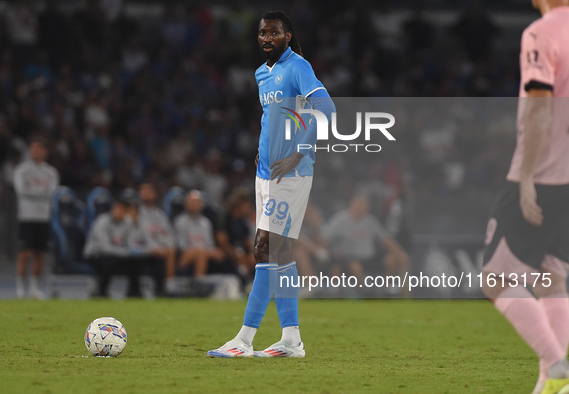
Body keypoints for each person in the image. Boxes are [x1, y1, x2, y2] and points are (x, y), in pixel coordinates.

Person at [208, 10, 335, 358]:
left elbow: (326, 107)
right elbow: (273, 118)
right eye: (263, 33)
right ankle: (291, 339)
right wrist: (261, 152)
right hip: (265, 172)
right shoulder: (262, 74)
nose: (267, 38)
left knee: (263, 246)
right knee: (281, 253)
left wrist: (299, 152)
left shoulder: (298, 67)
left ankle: (244, 340)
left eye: (274, 33)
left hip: (290, 174)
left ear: (288, 36)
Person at [481, 1, 569, 394]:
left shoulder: (541, 31)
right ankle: (553, 383)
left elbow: (539, 105)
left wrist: (529, 176)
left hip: (544, 173)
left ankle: (557, 368)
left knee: (496, 279)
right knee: (552, 277)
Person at [323, 196, 409, 296]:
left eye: (364, 206)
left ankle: (384, 292)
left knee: (392, 258)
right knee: (355, 265)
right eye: (359, 205)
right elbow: (324, 238)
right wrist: (330, 251)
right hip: (347, 258)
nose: (361, 208)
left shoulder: (369, 220)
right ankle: (364, 293)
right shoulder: (340, 220)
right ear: (351, 206)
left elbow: (386, 240)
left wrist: (401, 253)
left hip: (370, 257)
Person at [13, 138, 59, 299]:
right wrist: (41, 192)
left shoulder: (51, 172)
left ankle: (34, 288)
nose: (35, 152)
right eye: (32, 149)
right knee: (24, 252)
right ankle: (20, 289)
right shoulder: (22, 170)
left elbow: (51, 192)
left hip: (43, 217)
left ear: (45, 152)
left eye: (38, 149)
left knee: (40, 254)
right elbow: (21, 191)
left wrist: (33, 191)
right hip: (27, 216)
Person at [83, 197, 138, 298]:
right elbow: (105, 247)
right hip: (95, 254)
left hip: (118, 255)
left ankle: (134, 292)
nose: (118, 211)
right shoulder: (102, 221)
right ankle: (101, 291)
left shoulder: (127, 223)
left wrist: (130, 252)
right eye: (116, 208)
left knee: (136, 261)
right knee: (109, 260)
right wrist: (126, 253)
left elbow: (132, 243)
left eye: (122, 209)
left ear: (126, 212)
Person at [174, 190, 222, 279]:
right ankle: (199, 283)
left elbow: (210, 245)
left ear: (202, 205)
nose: (194, 204)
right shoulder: (180, 222)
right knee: (201, 252)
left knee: (213, 253)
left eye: (196, 202)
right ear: (186, 204)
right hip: (184, 256)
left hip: (204, 253)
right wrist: (202, 250)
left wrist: (209, 251)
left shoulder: (206, 223)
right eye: (191, 202)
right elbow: (181, 247)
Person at [138, 182, 175, 295]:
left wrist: (165, 246)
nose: (146, 194)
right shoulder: (136, 213)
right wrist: (153, 248)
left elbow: (167, 234)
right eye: (143, 191)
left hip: (160, 250)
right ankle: (165, 287)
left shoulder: (160, 214)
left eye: (149, 191)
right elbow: (141, 236)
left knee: (170, 249)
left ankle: (168, 286)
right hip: (142, 249)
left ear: (154, 194)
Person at [126, 202, 166, 298]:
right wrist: (149, 250)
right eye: (129, 213)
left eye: (134, 213)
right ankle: (134, 291)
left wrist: (155, 249)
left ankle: (160, 290)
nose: (132, 215)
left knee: (158, 259)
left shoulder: (143, 225)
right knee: (134, 261)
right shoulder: (123, 225)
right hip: (124, 256)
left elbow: (149, 241)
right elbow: (129, 248)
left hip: (140, 254)